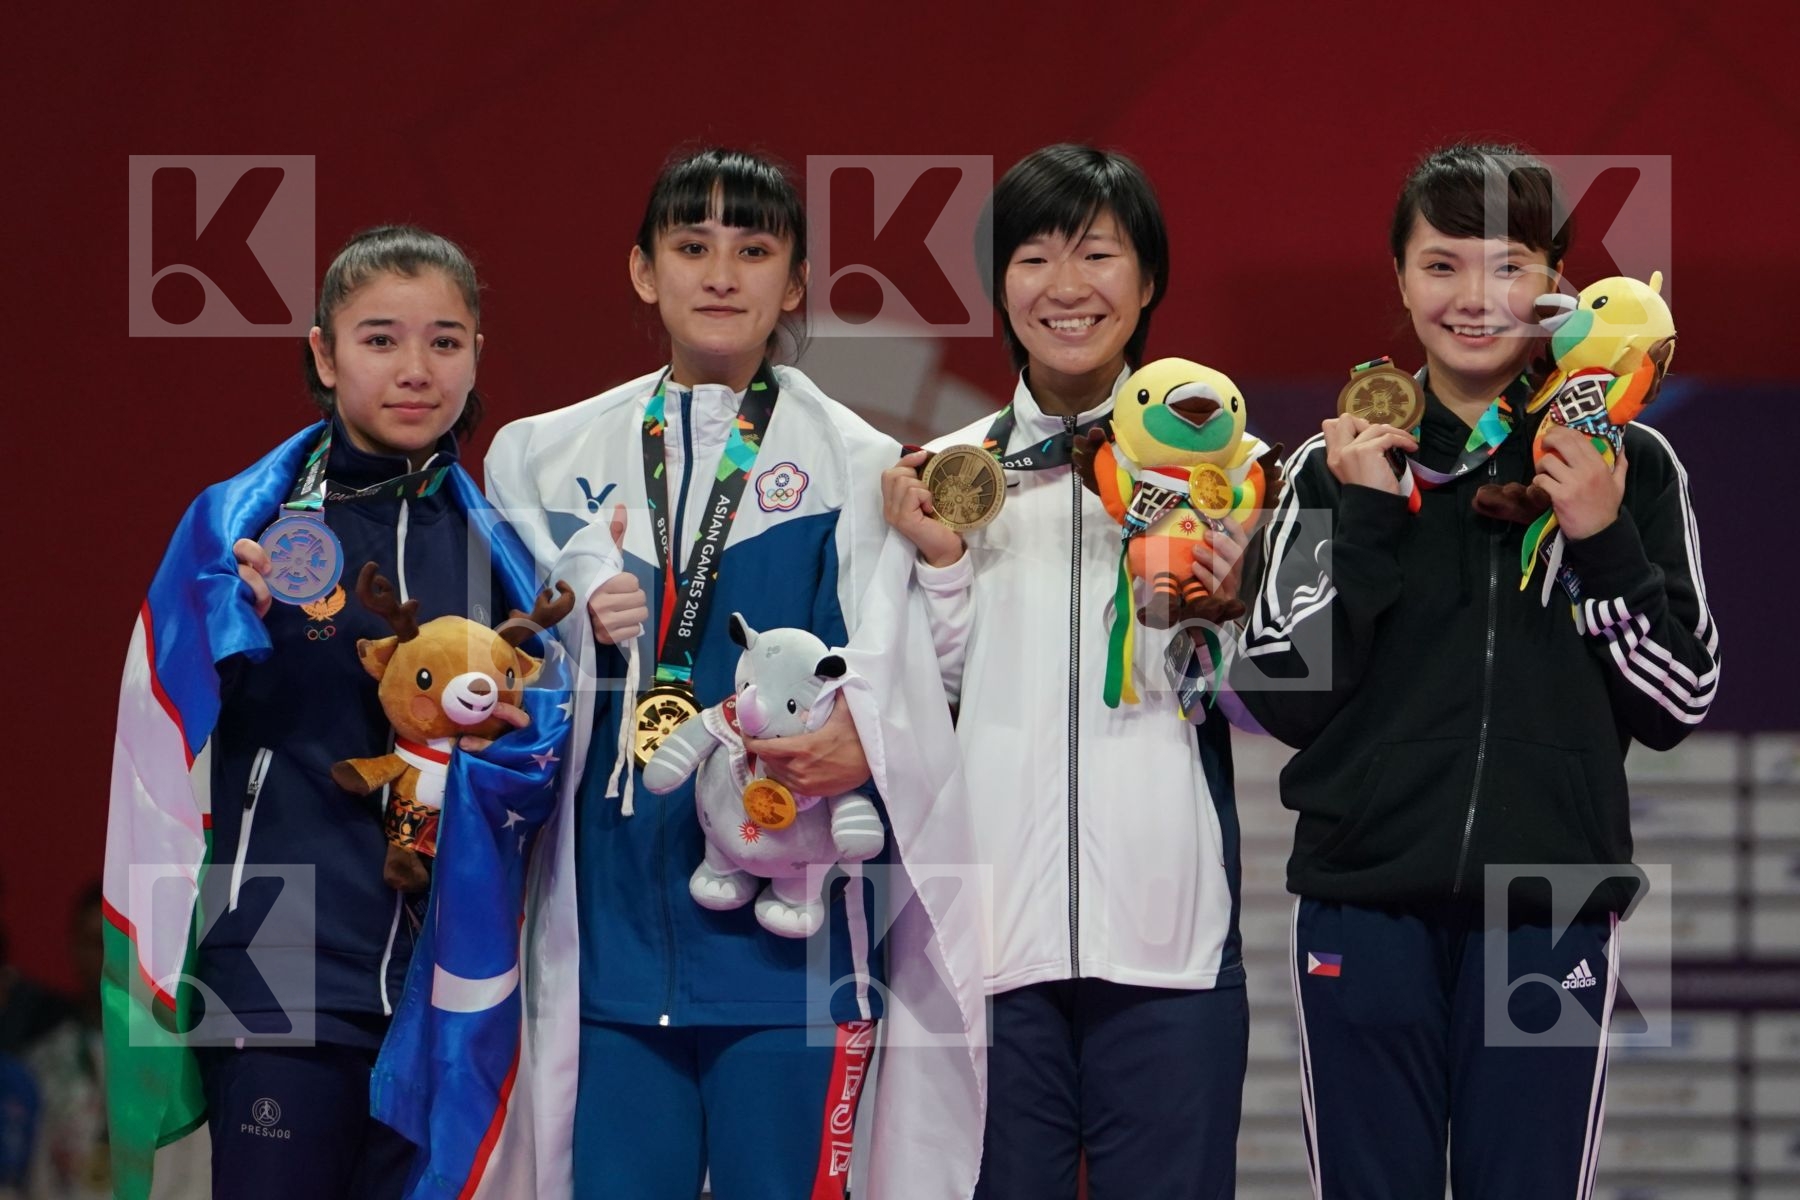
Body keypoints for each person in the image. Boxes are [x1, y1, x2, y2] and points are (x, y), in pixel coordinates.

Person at [485, 146, 982, 1200]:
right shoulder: (541, 456)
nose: (721, 274)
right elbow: (499, 678)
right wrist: (566, 623)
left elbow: (910, 686)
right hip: (604, 953)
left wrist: (863, 742)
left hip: (789, 962)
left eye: (754, 250)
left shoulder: (857, 465)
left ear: (793, 283)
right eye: (692, 246)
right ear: (641, 270)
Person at [1232, 143, 1719, 1197]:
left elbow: (1679, 698)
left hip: (1552, 900)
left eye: (1508, 266)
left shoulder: (1630, 462)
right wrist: (1362, 519)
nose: (1475, 298)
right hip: (1366, 903)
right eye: (1441, 265)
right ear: (1401, 281)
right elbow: (1286, 696)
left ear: (1558, 284)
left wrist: (1600, 538)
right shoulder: (1336, 461)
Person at [103, 225, 567, 1200]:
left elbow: (542, 754)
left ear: (478, 352)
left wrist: (525, 731)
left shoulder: (506, 555)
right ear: (324, 353)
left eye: (445, 340)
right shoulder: (243, 529)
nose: (415, 369)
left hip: (443, 977)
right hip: (282, 962)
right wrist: (223, 619)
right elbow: (162, 720)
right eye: (380, 339)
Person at [882, 143, 1252, 1199]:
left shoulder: (1240, 471)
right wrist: (944, 570)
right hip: (985, 951)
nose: (1066, 285)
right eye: (1033, 256)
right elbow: (924, 703)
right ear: (1000, 285)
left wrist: (1226, 597)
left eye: (1097, 253)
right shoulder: (948, 478)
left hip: (1168, 943)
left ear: (1147, 284)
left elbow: (1288, 695)